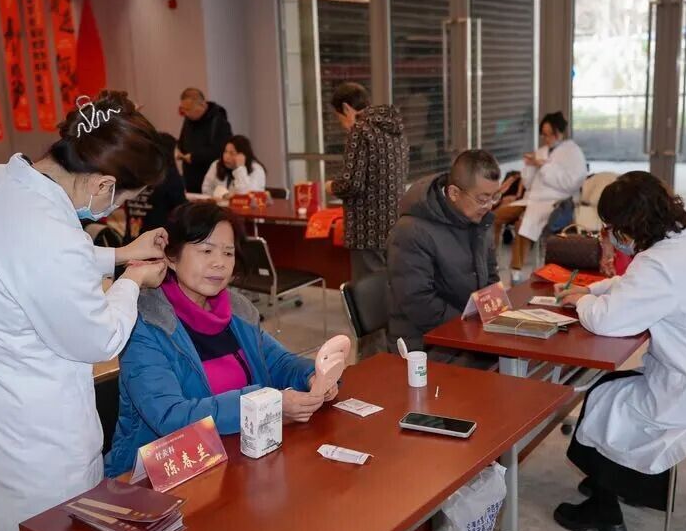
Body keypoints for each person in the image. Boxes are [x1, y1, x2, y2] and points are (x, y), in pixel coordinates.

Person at [0, 90, 171, 531]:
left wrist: (119, 254)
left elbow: (25, 265)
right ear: (103, 185)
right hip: (31, 443)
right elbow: (99, 338)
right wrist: (132, 280)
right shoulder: (49, 233)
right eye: (122, 200)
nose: (115, 209)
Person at [552, 171, 686, 531]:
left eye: (610, 227)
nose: (609, 235)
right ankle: (621, 483)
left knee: (601, 397)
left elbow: (609, 320)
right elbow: (637, 288)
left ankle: (605, 510)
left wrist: (581, 302)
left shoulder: (657, 263)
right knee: (614, 389)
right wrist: (593, 290)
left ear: (628, 226)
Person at [105, 203, 342, 476]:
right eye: (206, 251)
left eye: (228, 253)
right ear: (171, 257)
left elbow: (278, 363)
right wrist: (265, 404)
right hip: (162, 474)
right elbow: (170, 416)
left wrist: (313, 376)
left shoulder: (237, 310)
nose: (219, 262)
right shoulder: (145, 323)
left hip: (237, 458)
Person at [387, 150, 502, 361]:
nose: (489, 206)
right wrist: (472, 329)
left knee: (520, 354)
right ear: (454, 193)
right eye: (482, 199)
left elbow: (491, 275)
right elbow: (418, 302)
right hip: (425, 344)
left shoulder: (478, 220)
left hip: (467, 331)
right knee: (506, 370)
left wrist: (498, 315)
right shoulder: (412, 231)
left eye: (494, 197)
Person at [325, 82, 408, 282]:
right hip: (393, 221)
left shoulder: (360, 130)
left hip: (366, 228)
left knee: (368, 288)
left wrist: (331, 186)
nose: (342, 125)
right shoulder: (395, 129)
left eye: (339, 118)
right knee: (389, 284)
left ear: (346, 108)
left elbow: (352, 183)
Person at [513, 111, 587, 284]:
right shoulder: (542, 151)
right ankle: (505, 269)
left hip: (556, 200)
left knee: (523, 224)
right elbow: (529, 183)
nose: (546, 139)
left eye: (549, 134)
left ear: (559, 132)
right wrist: (530, 166)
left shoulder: (573, 152)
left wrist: (544, 167)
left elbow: (570, 183)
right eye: (544, 135)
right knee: (499, 216)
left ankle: (518, 270)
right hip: (533, 199)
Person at [124, 132, 188, 244]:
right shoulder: (169, 175)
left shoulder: (135, 173)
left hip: (131, 240)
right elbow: (181, 207)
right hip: (157, 242)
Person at [176, 87, 232, 193]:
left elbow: (221, 150)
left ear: (202, 105)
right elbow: (182, 140)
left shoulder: (218, 121)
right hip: (190, 180)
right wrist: (179, 150)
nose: (186, 113)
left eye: (189, 109)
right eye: (184, 110)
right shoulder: (189, 119)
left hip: (212, 181)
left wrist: (194, 157)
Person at [201, 135, 266, 198]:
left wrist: (240, 168)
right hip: (218, 204)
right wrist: (222, 196)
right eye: (225, 151)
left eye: (231, 153)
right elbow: (206, 188)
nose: (226, 156)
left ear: (243, 156)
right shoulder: (217, 164)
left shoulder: (257, 169)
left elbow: (246, 195)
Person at [491, 170, 525, 249]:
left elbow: (518, 195)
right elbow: (498, 192)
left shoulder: (518, 181)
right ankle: (493, 247)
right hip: (507, 204)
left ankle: (493, 247)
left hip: (511, 206)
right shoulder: (515, 181)